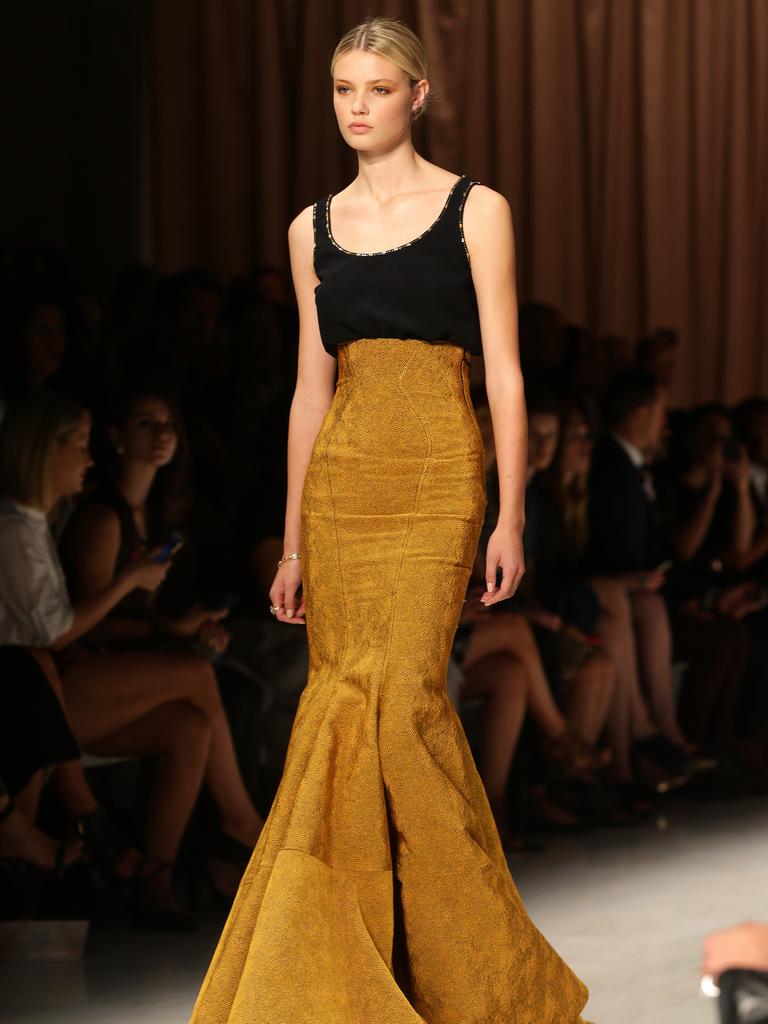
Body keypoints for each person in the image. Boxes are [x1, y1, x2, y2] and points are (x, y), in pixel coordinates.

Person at [188, 16, 589, 1024]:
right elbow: (309, 390)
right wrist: (292, 540)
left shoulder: (476, 209)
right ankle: (347, 978)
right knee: (344, 707)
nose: (355, 106)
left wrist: (510, 512)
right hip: (344, 485)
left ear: (419, 94)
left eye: (375, 87)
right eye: (340, 90)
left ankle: (472, 976)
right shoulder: (309, 228)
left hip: (439, 479)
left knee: (403, 701)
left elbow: (503, 367)